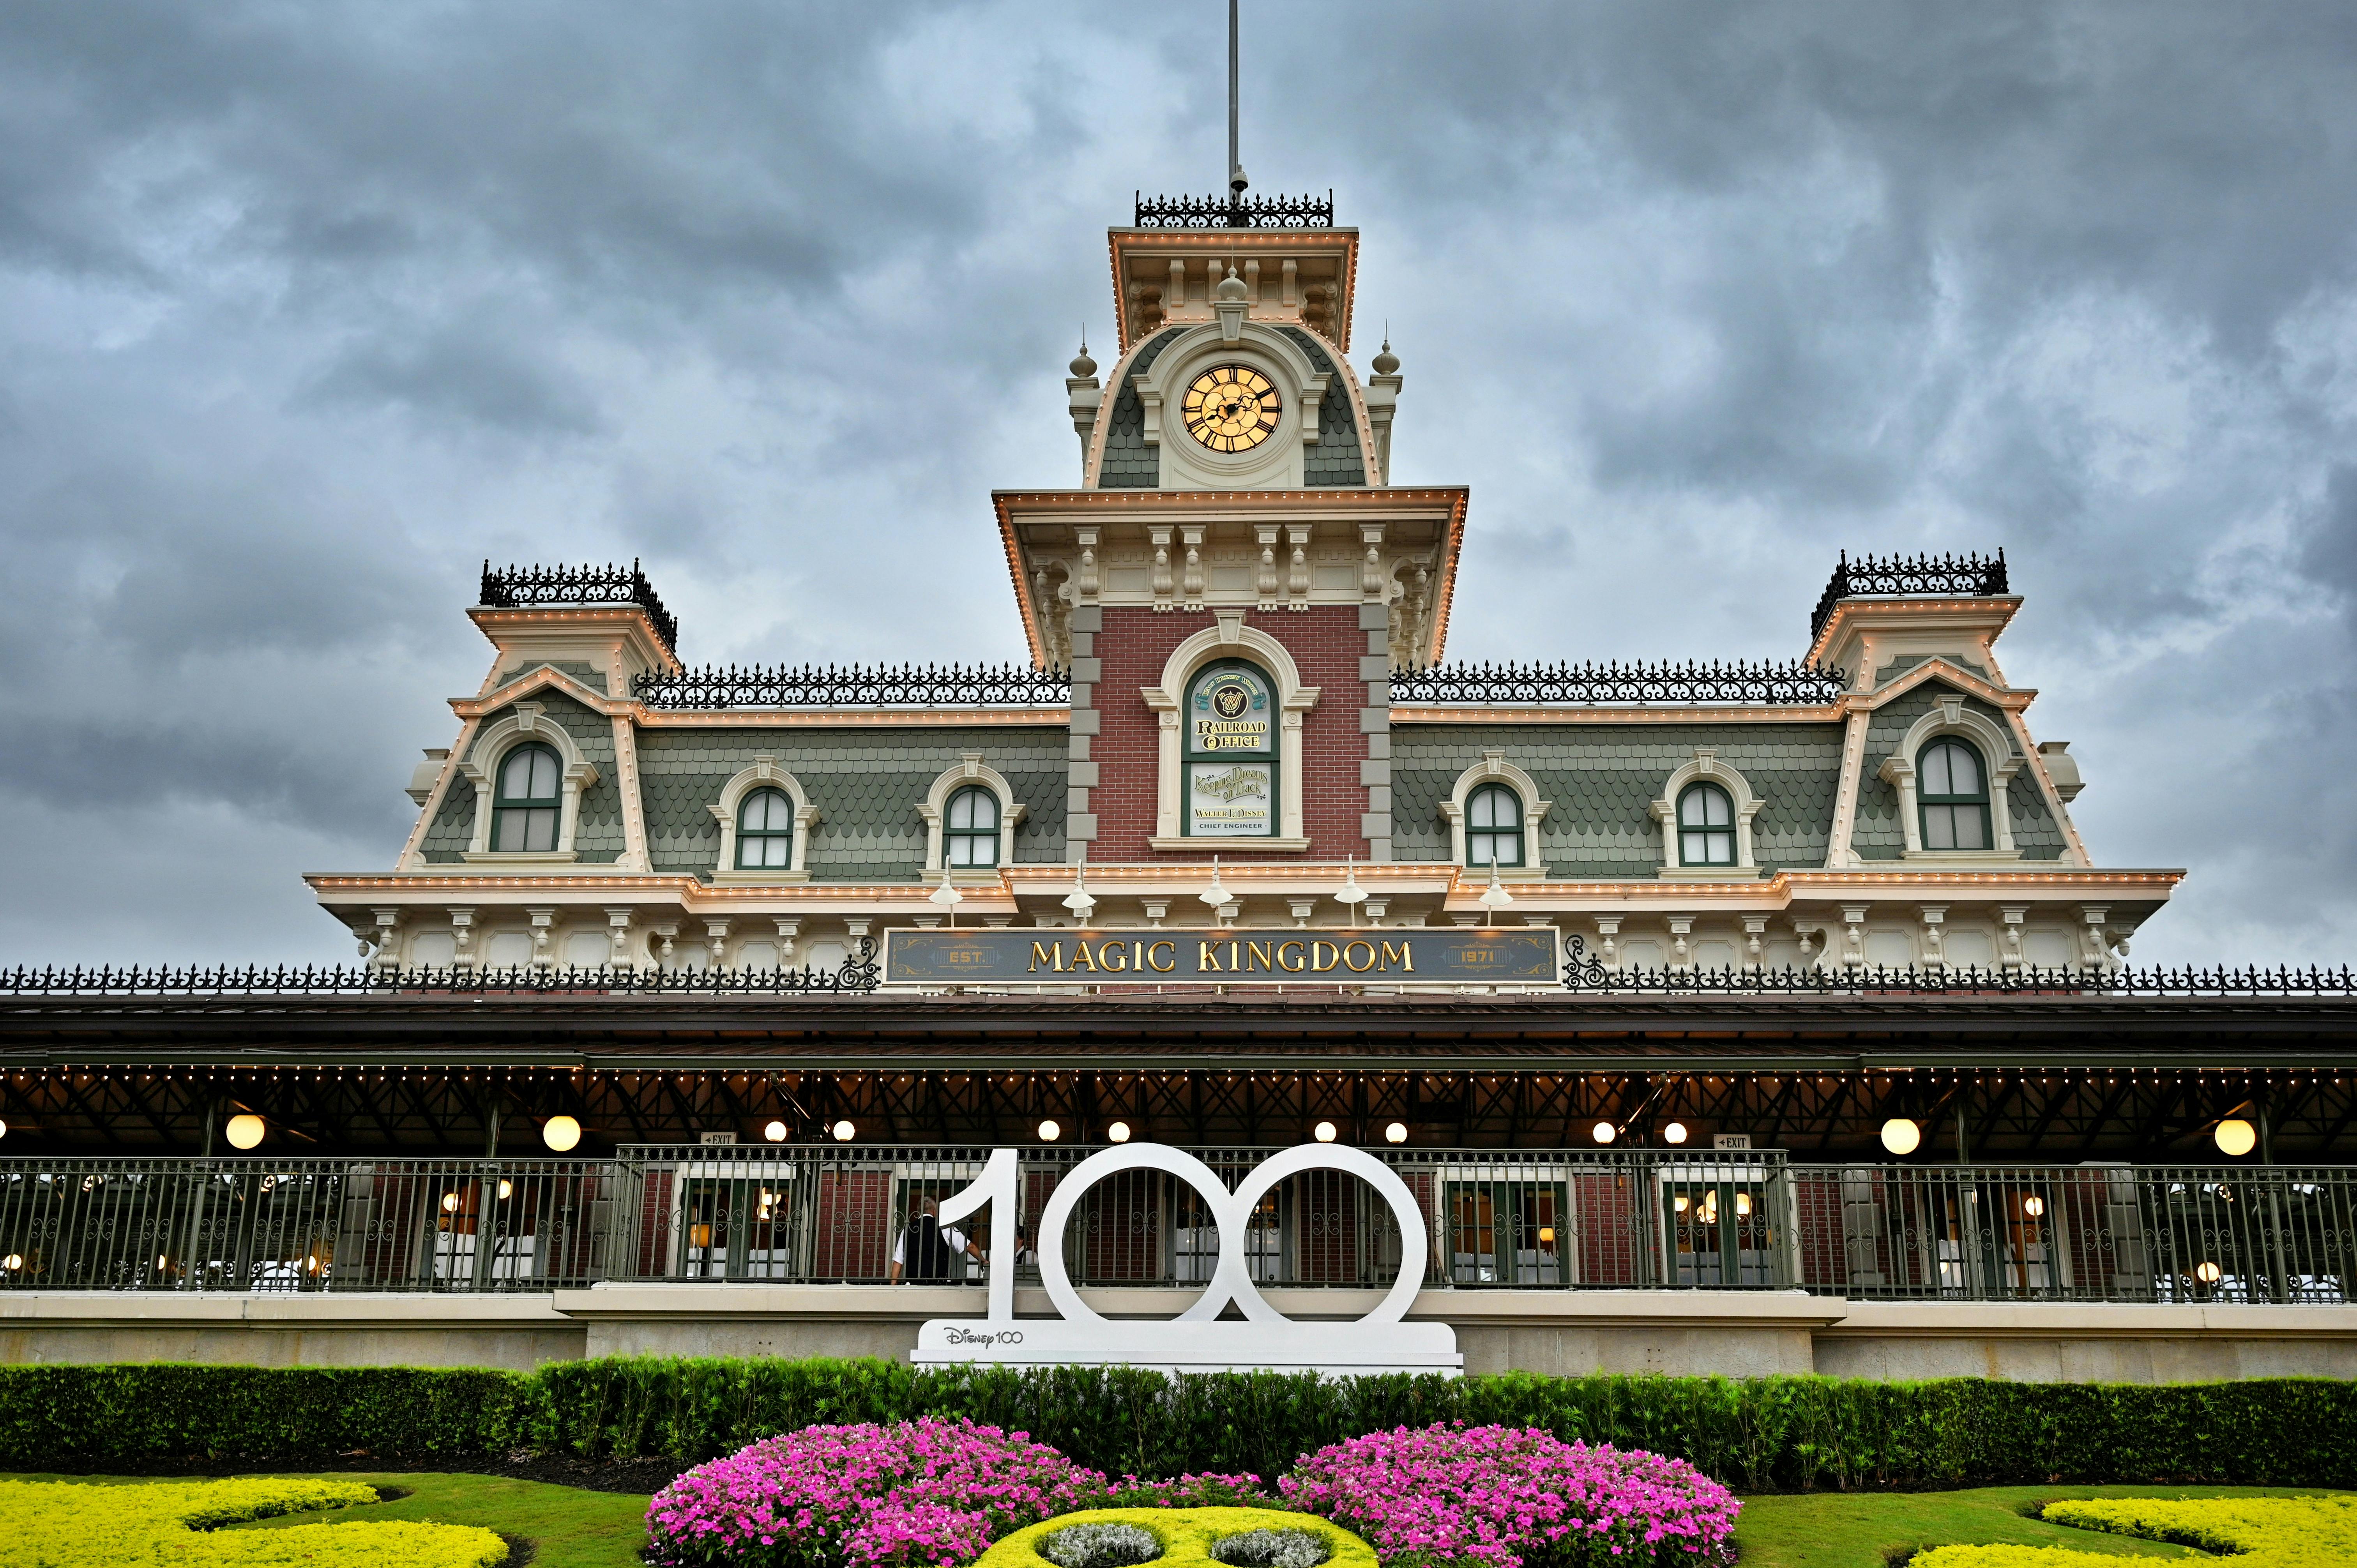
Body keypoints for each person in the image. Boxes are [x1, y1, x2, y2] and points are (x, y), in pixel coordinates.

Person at [889, 1194, 984, 1283]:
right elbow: (969, 1246)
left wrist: (893, 1287)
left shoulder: (907, 1230)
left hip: (914, 1284)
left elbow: (898, 1261)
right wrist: (983, 1261)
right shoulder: (944, 1227)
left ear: (918, 1212)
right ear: (934, 1211)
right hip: (939, 1283)